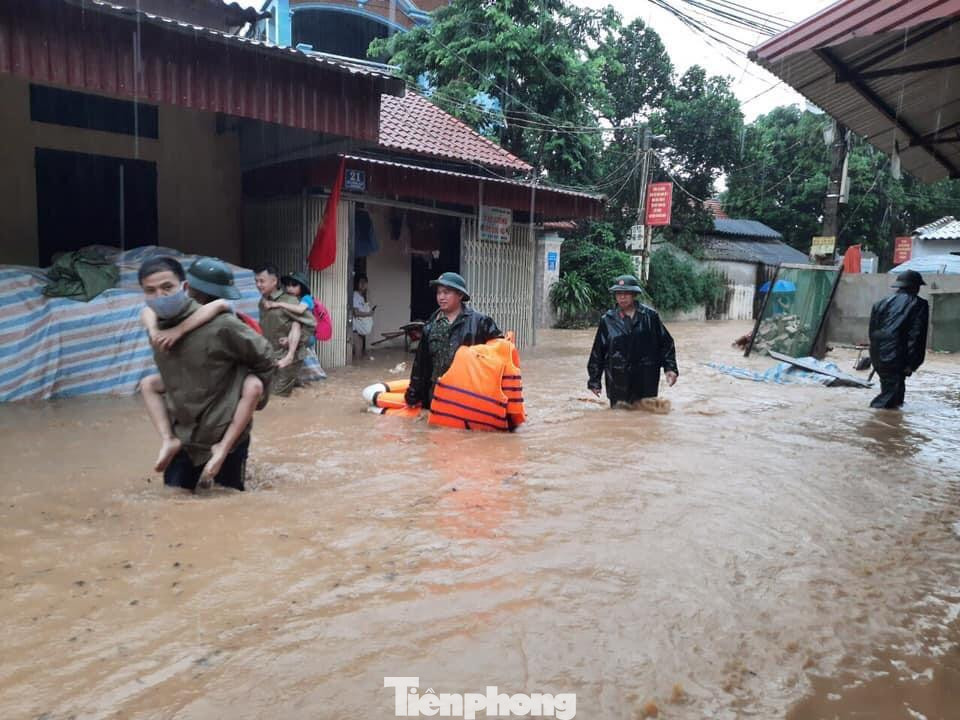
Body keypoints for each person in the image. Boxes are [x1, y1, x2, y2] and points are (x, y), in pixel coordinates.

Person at [137, 256, 275, 492]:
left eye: (167, 287)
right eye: (151, 291)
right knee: (175, 501)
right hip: (185, 437)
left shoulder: (223, 325)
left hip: (224, 436)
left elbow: (266, 359)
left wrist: (254, 393)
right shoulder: (156, 324)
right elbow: (146, 314)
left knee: (227, 505)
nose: (160, 296)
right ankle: (167, 441)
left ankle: (222, 448)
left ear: (185, 287)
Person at [405, 271, 502, 409]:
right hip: (436, 394)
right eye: (439, 293)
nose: (441, 297)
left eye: (446, 292)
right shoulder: (430, 326)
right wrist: (413, 394)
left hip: (469, 395)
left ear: (460, 295)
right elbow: (421, 366)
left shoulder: (481, 322)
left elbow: (499, 354)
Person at [588, 274, 678, 407]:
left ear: (634, 294)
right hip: (618, 380)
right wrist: (594, 381)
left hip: (646, 378)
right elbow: (598, 352)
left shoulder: (650, 317)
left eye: (626, 293)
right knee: (620, 420)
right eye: (618, 293)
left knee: (645, 418)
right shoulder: (607, 320)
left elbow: (666, 343)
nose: (622, 297)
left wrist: (670, 368)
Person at [868, 269, 929, 410]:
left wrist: (876, 355)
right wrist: (912, 363)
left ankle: (891, 425)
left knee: (894, 395)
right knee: (890, 397)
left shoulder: (880, 304)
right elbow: (917, 335)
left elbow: (873, 332)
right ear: (915, 287)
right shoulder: (919, 304)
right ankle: (875, 425)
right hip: (898, 358)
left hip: (878, 355)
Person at [255, 263, 315, 396]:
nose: (258, 285)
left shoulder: (289, 301)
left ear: (274, 281)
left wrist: (294, 341)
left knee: (277, 396)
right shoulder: (262, 302)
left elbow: (311, 323)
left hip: (288, 358)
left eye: (262, 281)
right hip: (270, 356)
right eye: (256, 281)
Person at [352, 273, 375, 360]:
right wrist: (369, 314)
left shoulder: (361, 297)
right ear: (357, 283)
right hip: (355, 329)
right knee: (357, 352)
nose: (363, 284)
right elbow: (356, 313)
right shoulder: (355, 295)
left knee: (359, 352)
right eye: (360, 282)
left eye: (365, 282)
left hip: (360, 330)